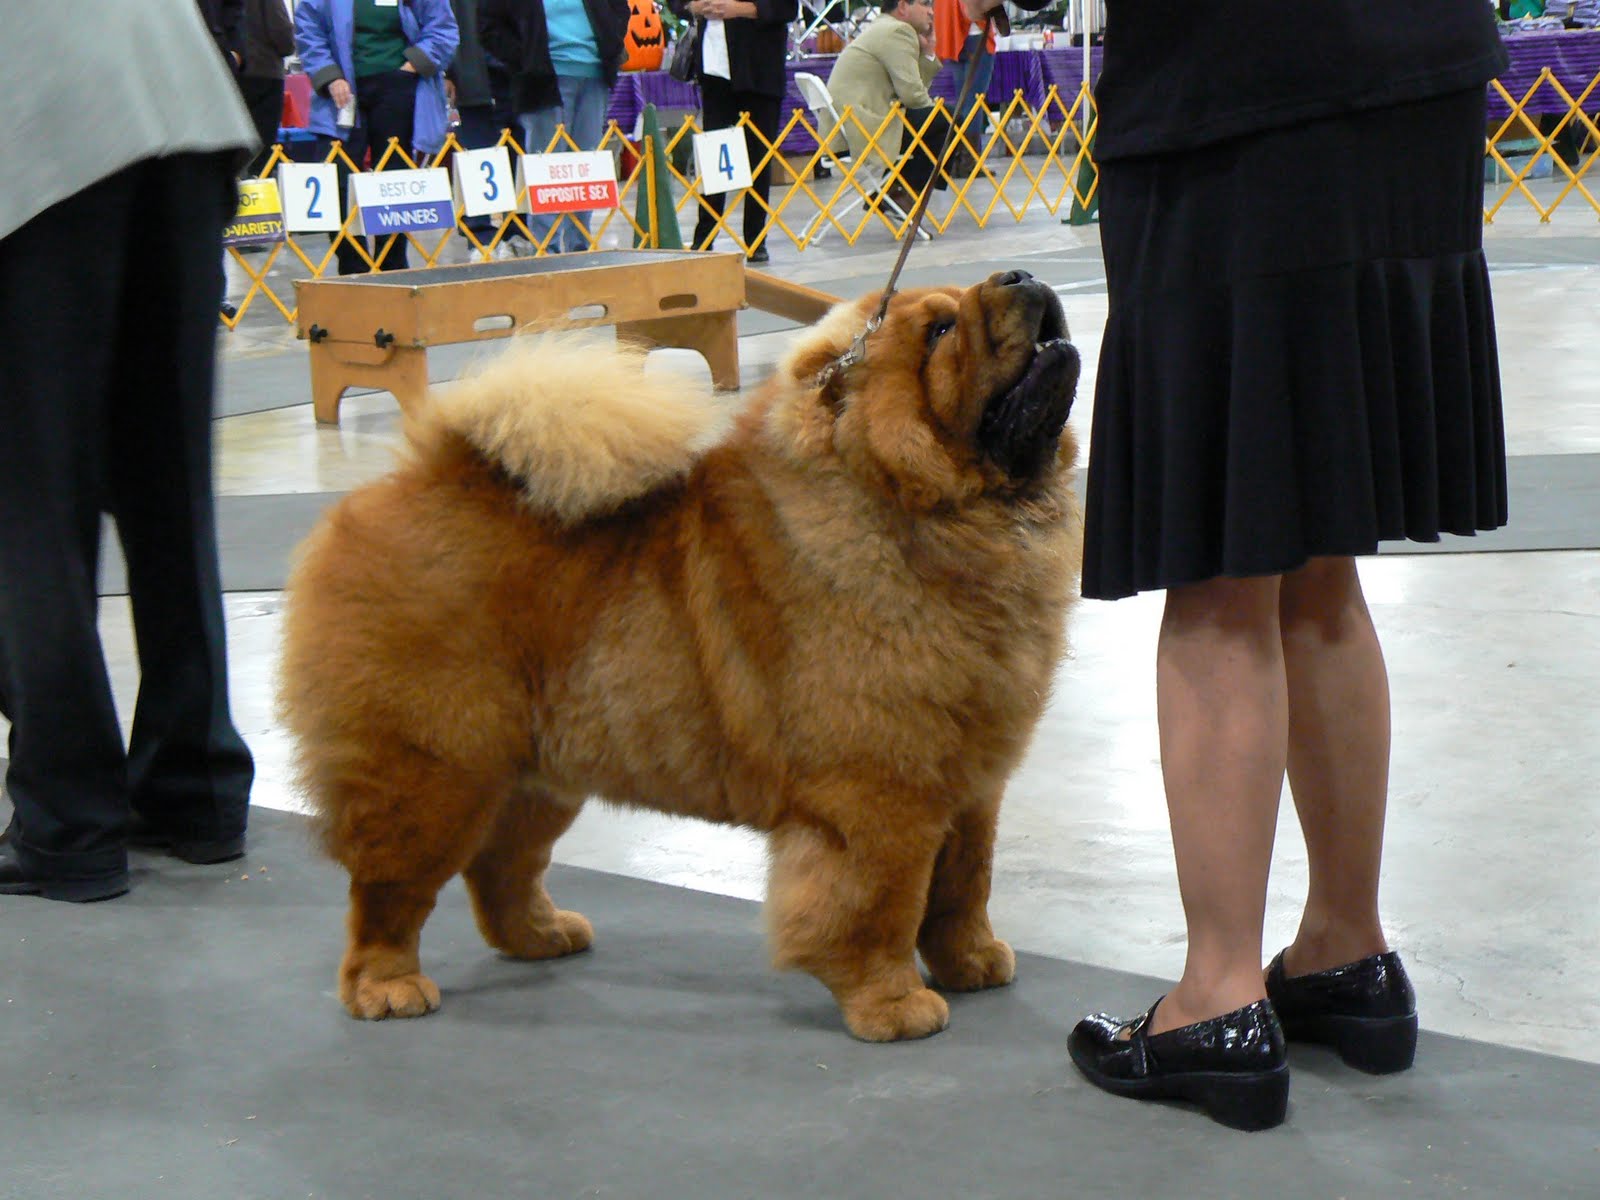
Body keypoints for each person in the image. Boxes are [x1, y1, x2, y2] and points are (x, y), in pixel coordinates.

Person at [964, 0, 1511, 1130]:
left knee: (1220, 574)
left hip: (1237, 91)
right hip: (1419, 75)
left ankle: (1216, 995)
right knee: (1319, 558)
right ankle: (1346, 952)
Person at [0, 4, 260, 902]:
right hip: (182, 106)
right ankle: (198, 788)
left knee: (29, 506)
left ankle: (68, 821)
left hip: (33, 128)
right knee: (168, 479)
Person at [294, 0, 460, 274]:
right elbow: (309, 31)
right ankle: (352, 265)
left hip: (398, 88)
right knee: (338, 179)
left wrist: (412, 66)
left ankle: (393, 263)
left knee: (396, 178)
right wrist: (330, 76)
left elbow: (442, 28)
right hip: (340, 95)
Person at [481, 0, 631, 255]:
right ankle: (546, 249)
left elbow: (620, 9)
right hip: (542, 80)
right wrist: (525, 59)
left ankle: (580, 247)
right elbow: (488, 23)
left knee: (586, 167)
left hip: (595, 75)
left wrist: (611, 41)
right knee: (546, 166)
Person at [668, 0, 798, 262]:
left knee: (758, 158)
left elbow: (786, 9)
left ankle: (756, 239)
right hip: (714, 73)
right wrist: (695, 7)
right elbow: (676, 3)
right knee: (714, 157)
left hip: (759, 71)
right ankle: (704, 236)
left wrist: (739, 9)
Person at [826, 0, 952, 212]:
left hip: (846, 128)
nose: (932, 12)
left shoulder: (883, 26)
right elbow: (913, 96)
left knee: (935, 119)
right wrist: (931, 110)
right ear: (902, 6)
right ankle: (902, 193)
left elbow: (913, 92)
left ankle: (892, 189)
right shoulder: (898, 31)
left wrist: (928, 52)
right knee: (947, 120)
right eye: (925, 4)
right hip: (863, 127)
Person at [448, 0, 520, 252]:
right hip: (471, 76)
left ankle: (520, 232)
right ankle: (480, 238)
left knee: (522, 158)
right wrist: (447, 72)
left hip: (518, 74)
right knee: (477, 159)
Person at [239, 0, 299, 179]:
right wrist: (289, 45)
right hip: (264, 70)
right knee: (261, 153)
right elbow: (280, 31)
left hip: (229, 72)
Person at [932, 0, 992, 155]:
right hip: (976, 33)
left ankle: (960, 154)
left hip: (952, 34)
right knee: (973, 103)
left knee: (963, 102)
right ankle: (969, 158)